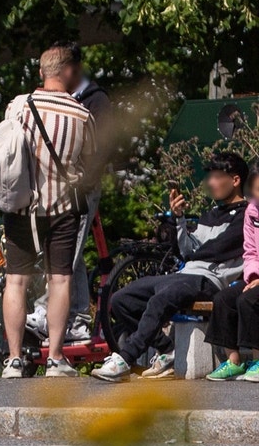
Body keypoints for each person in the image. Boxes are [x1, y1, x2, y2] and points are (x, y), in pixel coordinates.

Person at [97, 151, 249, 382]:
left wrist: (194, 249)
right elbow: (186, 251)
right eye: (210, 178)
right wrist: (178, 218)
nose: (210, 183)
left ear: (235, 180)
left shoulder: (247, 214)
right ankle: (168, 351)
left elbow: (218, 249)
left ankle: (124, 359)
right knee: (121, 300)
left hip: (209, 281)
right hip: (186, 274)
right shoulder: (210, 214)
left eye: (217, 177)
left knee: (162, 298)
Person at [0, 46, 98, 379]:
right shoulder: (82, 115)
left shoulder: (18, 106)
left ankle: (13, 360)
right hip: (62, 209)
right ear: (68, 71)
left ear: (42, 72)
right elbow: (90, 169)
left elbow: (6, 153)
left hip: (22, 208)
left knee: (15, 281)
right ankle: (55, 358)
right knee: (59, 281)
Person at [28, 42, 115, 343]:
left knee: (63, 257)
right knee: (71, 256)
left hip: (78, 191)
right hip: (54, 190)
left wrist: (84, 182)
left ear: (72, 70)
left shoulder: (95, 100)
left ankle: (48, 311)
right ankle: (77, 320)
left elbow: (102, 147)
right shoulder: (65, 99)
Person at [208, 168, 259, 381]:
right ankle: (233, 362)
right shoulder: (252, 211)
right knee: (223, 299)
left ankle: (258, 360)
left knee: (249, 299)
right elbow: (250, 250)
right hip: (255, 276)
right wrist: (254, 276)